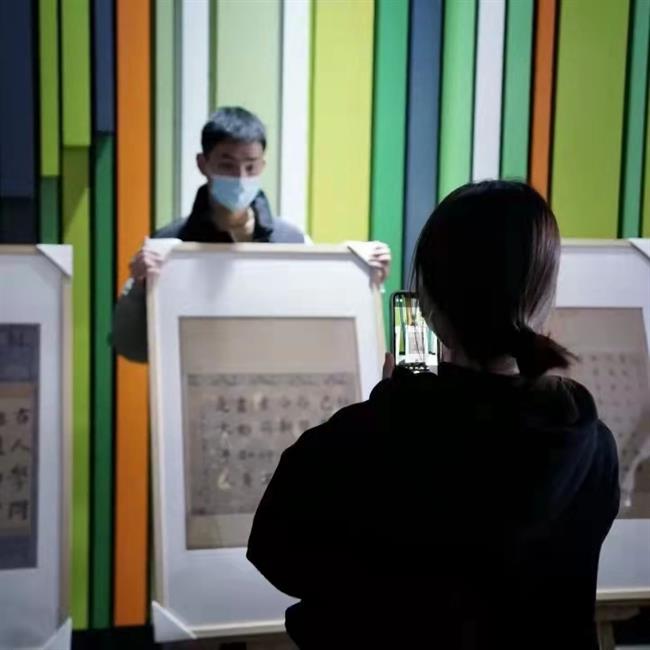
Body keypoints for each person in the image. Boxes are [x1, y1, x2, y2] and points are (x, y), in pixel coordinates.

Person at [247, 181, 619, 649]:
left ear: (429, 302)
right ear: (543, 294)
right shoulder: (591, 443)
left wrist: (391, 406)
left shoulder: (367, 437)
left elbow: (277, 554)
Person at [111, 106, 391, 362]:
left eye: (250, 166)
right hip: (196, 393)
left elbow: (322, 332)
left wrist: (356, 272)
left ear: (262, 166)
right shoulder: (168, 247)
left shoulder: (292, 242)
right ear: (203, 164)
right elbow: (130, 347)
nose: (240, 177)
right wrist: (139, 288)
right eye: (227, 165)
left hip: (276, 392)